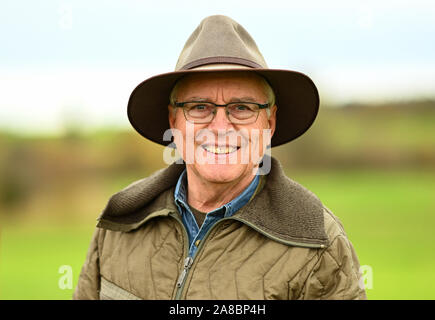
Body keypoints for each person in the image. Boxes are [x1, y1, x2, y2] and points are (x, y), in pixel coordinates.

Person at [73, 15, 367, 300]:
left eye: (242, 107)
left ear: (269, 123)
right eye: (199, 107)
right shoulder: (122, 220)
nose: (221, 128)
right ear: (174, 121)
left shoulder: (317, 243)